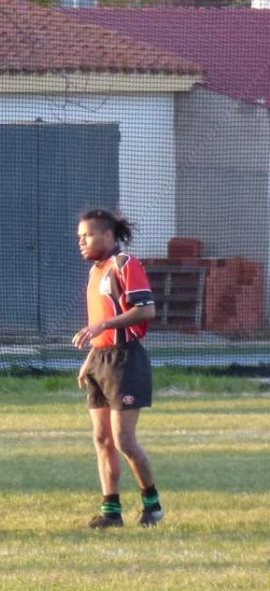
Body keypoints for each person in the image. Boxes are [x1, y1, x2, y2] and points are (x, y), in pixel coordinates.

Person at [72, 209, 164, 528]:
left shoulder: (125, 265)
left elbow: (146, 310)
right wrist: (90, 360)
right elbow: (100, 326)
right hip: (102, 360)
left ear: (108, 236)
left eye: (87, 235)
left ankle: (152, 504)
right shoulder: (96, 271)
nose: (81, 242)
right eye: (79, 237)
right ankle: (111, 511)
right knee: (102, 439)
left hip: (126, 360)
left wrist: (104, 325)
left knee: (124, 440)